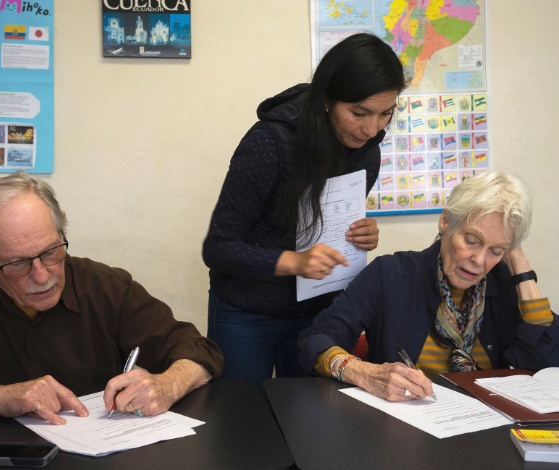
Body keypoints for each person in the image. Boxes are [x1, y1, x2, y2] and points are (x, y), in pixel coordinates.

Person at [202, 33, 408, 387]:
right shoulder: (269, 143)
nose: (373, 128)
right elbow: (217, 248)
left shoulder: (366, 151)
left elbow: (329, 224)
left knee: (310, 425)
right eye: (359, 113)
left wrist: (361, 234)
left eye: (385, 114)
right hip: (247, 312)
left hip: (317, 313)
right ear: (328, 100)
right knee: (238, 423)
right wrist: (294, 262)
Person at [0, 172, 223, 425]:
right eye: (17, 264)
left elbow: (198, 350)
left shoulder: (106, 288)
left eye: (51, 251)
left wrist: (166, 386)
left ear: (62, 230)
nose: (42, 276)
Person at [299, 172, 559, 401]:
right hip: (403, 432)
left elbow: (544, 367)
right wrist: (365, 373)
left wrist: (522, 270)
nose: (479, 261)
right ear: (445, 221)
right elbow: (315, 339)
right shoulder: (389, 274)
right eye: (471, 240)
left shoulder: (502, 282)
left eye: (496, 250)